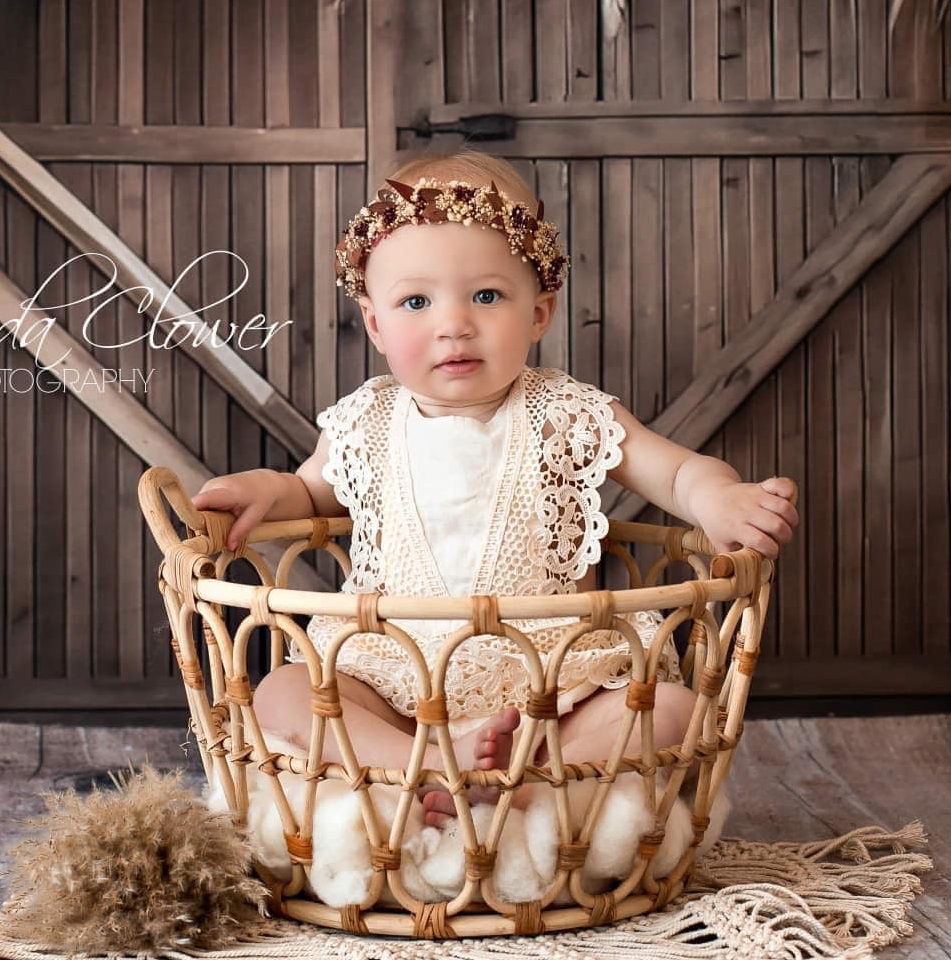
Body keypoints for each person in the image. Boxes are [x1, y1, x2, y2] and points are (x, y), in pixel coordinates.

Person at [192, 151, 798, 827]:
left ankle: (527, 782)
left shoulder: (564, 412)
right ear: (374, 323)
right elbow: (306, 493)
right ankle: (417, 760)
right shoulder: (366, 419)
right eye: (416, 302)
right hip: (391, 678)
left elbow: (677, 471)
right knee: (281, 692)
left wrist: (718, 498)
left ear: (539, 313)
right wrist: (262, 492)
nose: (453, 324)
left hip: (552, 684)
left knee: (678, 710)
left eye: (486, 296)